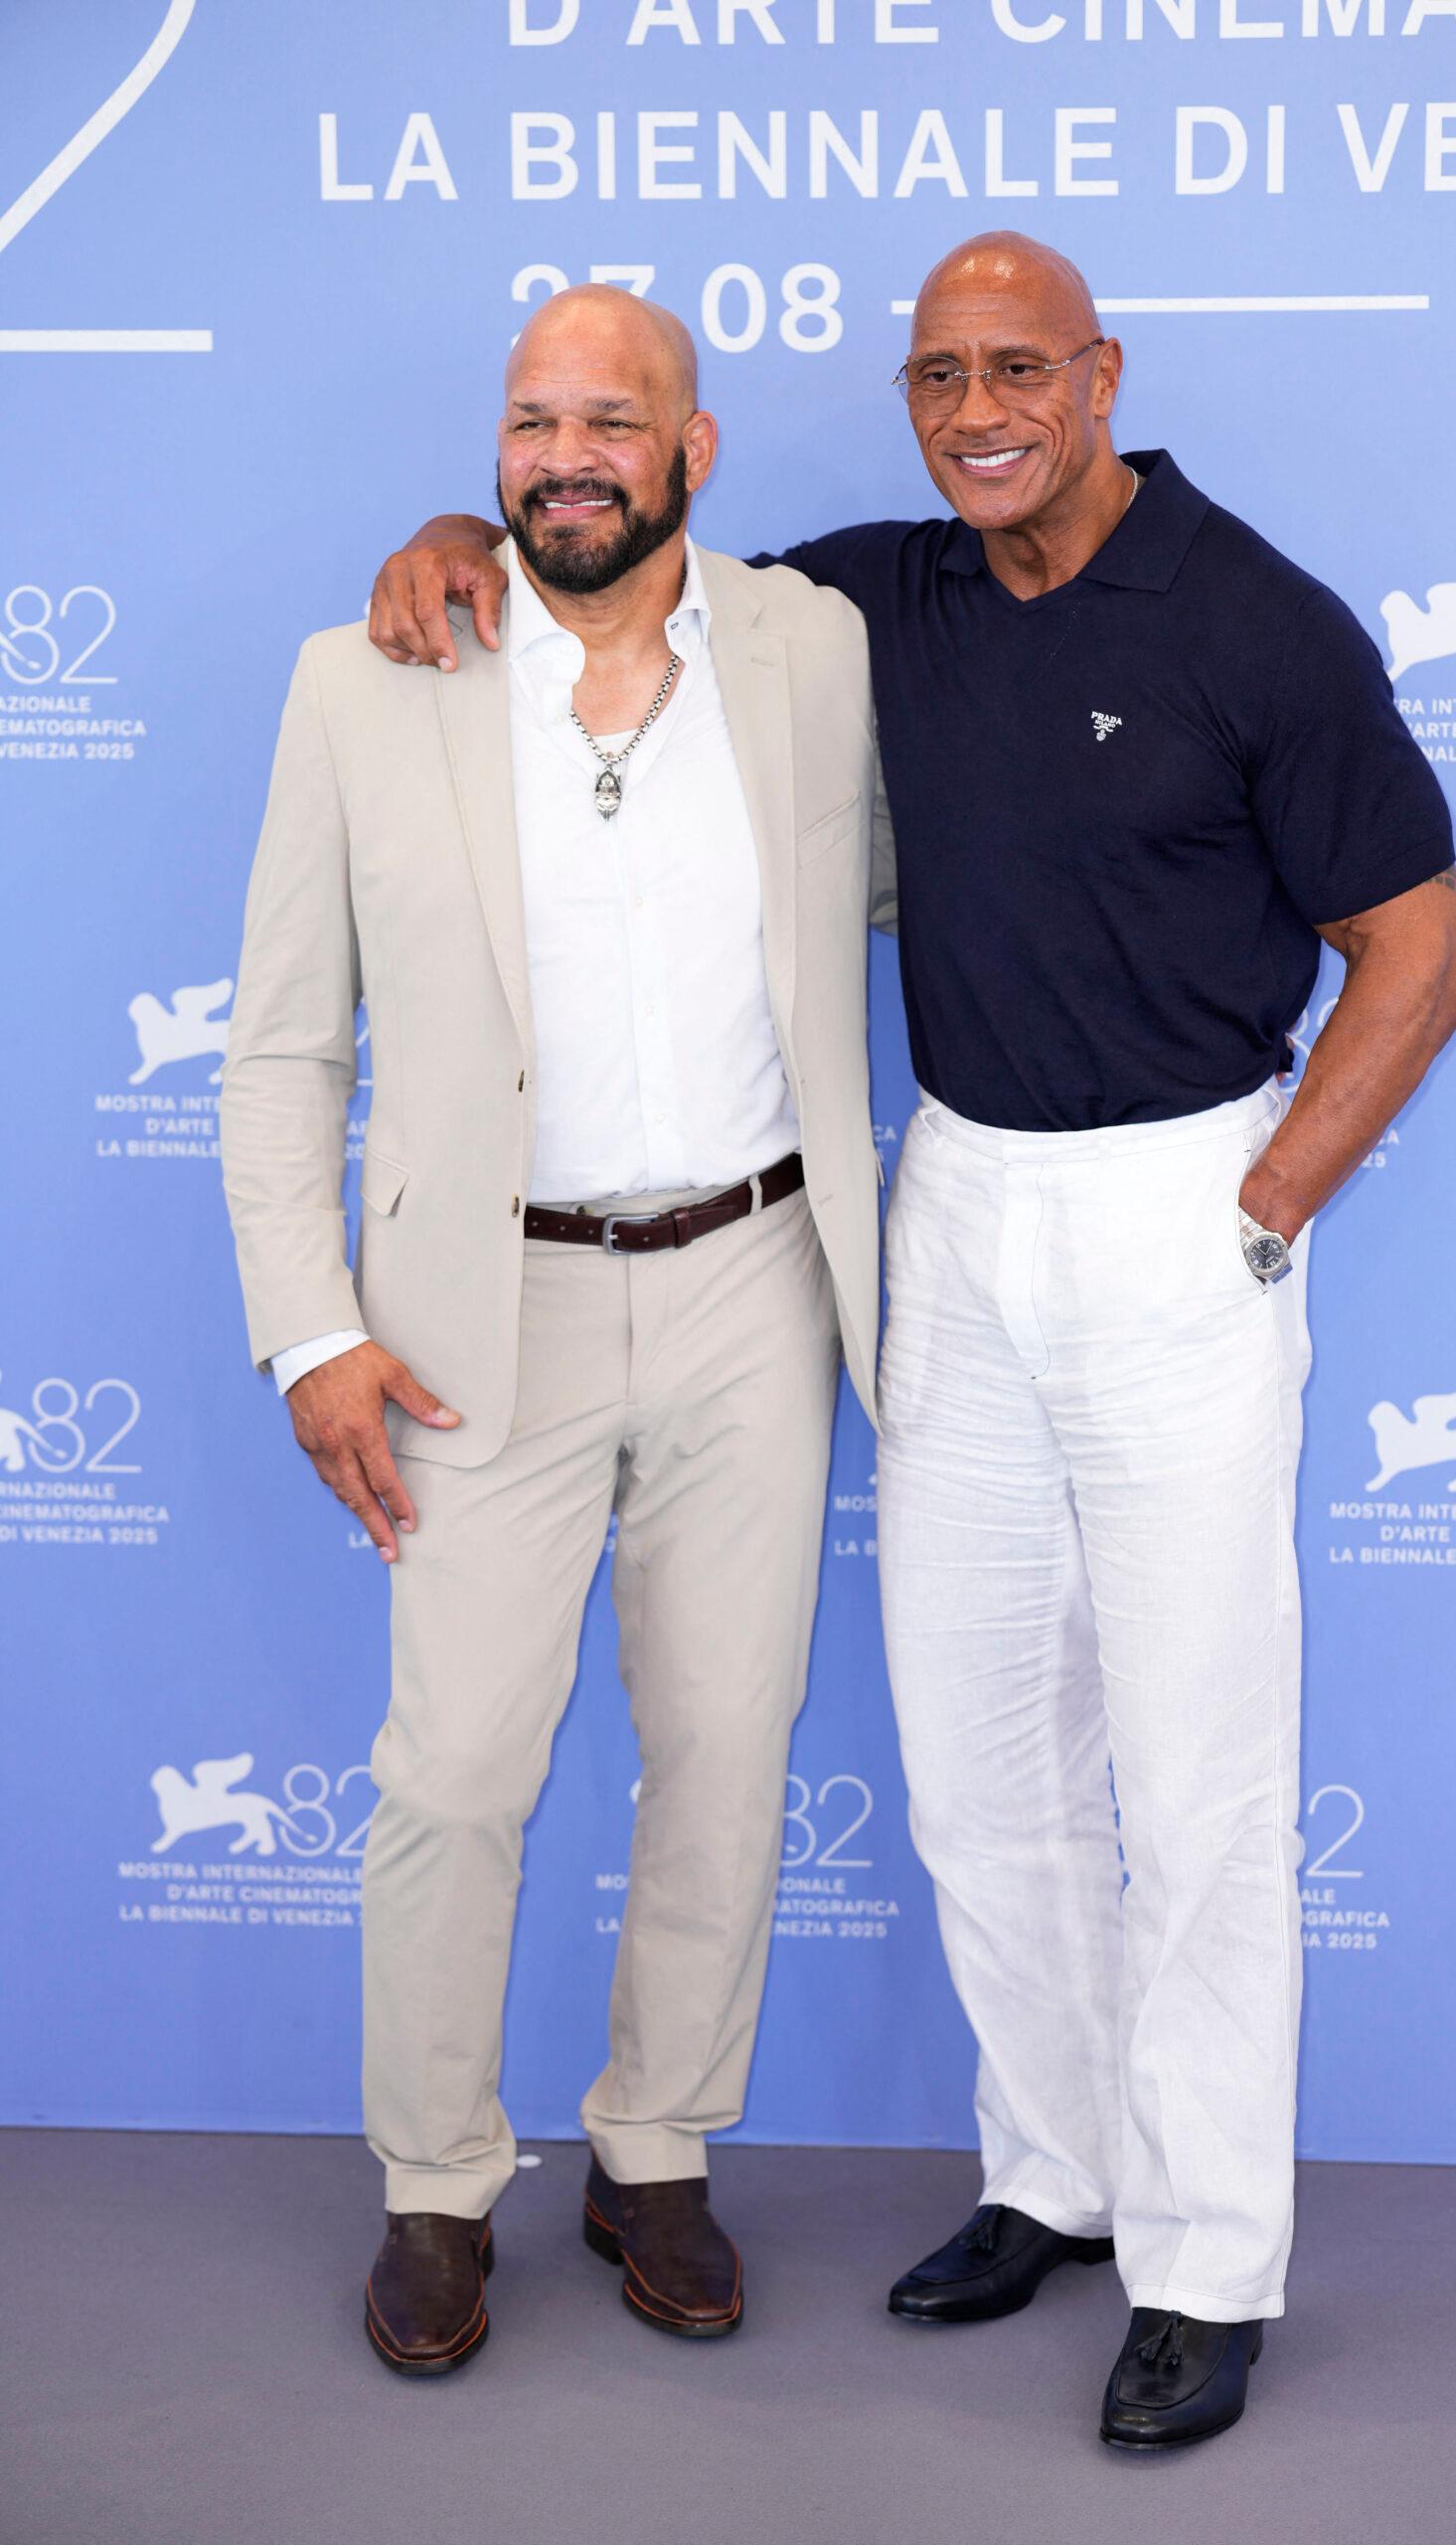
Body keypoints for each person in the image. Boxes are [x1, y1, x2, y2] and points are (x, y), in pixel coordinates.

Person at [366, 232, 1456, 2448]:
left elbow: (1416, 954)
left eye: (1016, 372)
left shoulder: (1255, 622)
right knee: (980, 1773)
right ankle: (1052, 2176)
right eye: (937, 375)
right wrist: (451, 537)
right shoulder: (879, 595)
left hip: (1182, 1204)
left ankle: (1202, 2256)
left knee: (1193, 1778)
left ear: (1099, 377)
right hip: (950, 1202)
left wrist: (1253, 1210)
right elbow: (628, 570)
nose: (975, 410)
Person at [222, 286, 885, 2375]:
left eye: (614, 419)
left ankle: (655, 2144)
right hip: (463, 1309)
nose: (564, 455)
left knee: (721, 1751)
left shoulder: (816, 654)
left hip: (749, 1284)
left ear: (696, 453)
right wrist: (308, 1328)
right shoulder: (365, 673)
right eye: (528, 421)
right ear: (489, 453)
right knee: (454, 1770)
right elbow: (273, 1051)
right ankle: (436, 2182)